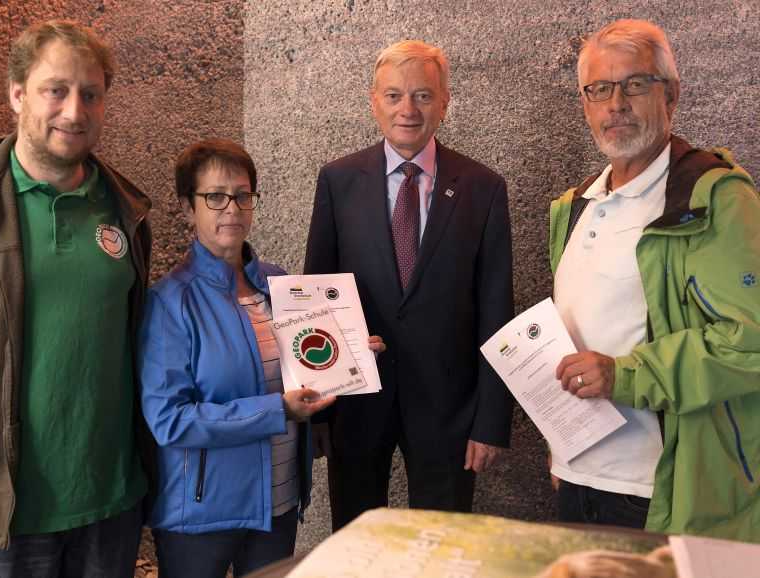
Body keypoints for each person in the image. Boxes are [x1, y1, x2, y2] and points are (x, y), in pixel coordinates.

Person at [550, 19, 759, 541]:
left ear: (672, 94)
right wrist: (563, 449)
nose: (615, 103)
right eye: (599, 89)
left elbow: (751, 341)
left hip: (662, 489)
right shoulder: (575, 207)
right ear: (585, 104)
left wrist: (626, 376)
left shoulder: (715, 200)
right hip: (578, 480)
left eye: (635, 84)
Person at [138, 138, 385, 577]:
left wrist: (350, 358)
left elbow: (307, 369)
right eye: (214, 196)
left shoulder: (279, 285)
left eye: (242, 194)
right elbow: (169, 419)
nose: (231, 208)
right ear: (186, 207)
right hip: (201, 515)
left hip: (279, 503)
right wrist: (277, 410)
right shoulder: (170, 303)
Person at [0, 19, 153, 576]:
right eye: (56, 90)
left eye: (90, 94)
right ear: (17, 94)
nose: (74, 111)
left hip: (110, 503)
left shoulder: (125, 208)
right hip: (2, 514)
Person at [305, 40, 515, 530]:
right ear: (373, 101)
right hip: (355, 404)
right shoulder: (338, 181)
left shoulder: (483, 188)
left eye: (423, 95)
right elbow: (316, 297)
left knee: (442, 547)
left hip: (449, 410)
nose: (408, 109)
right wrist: (316, 412)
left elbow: (495, 309)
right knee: (356, 547)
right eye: (395, 95)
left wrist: (490, 421)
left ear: (445, 102)